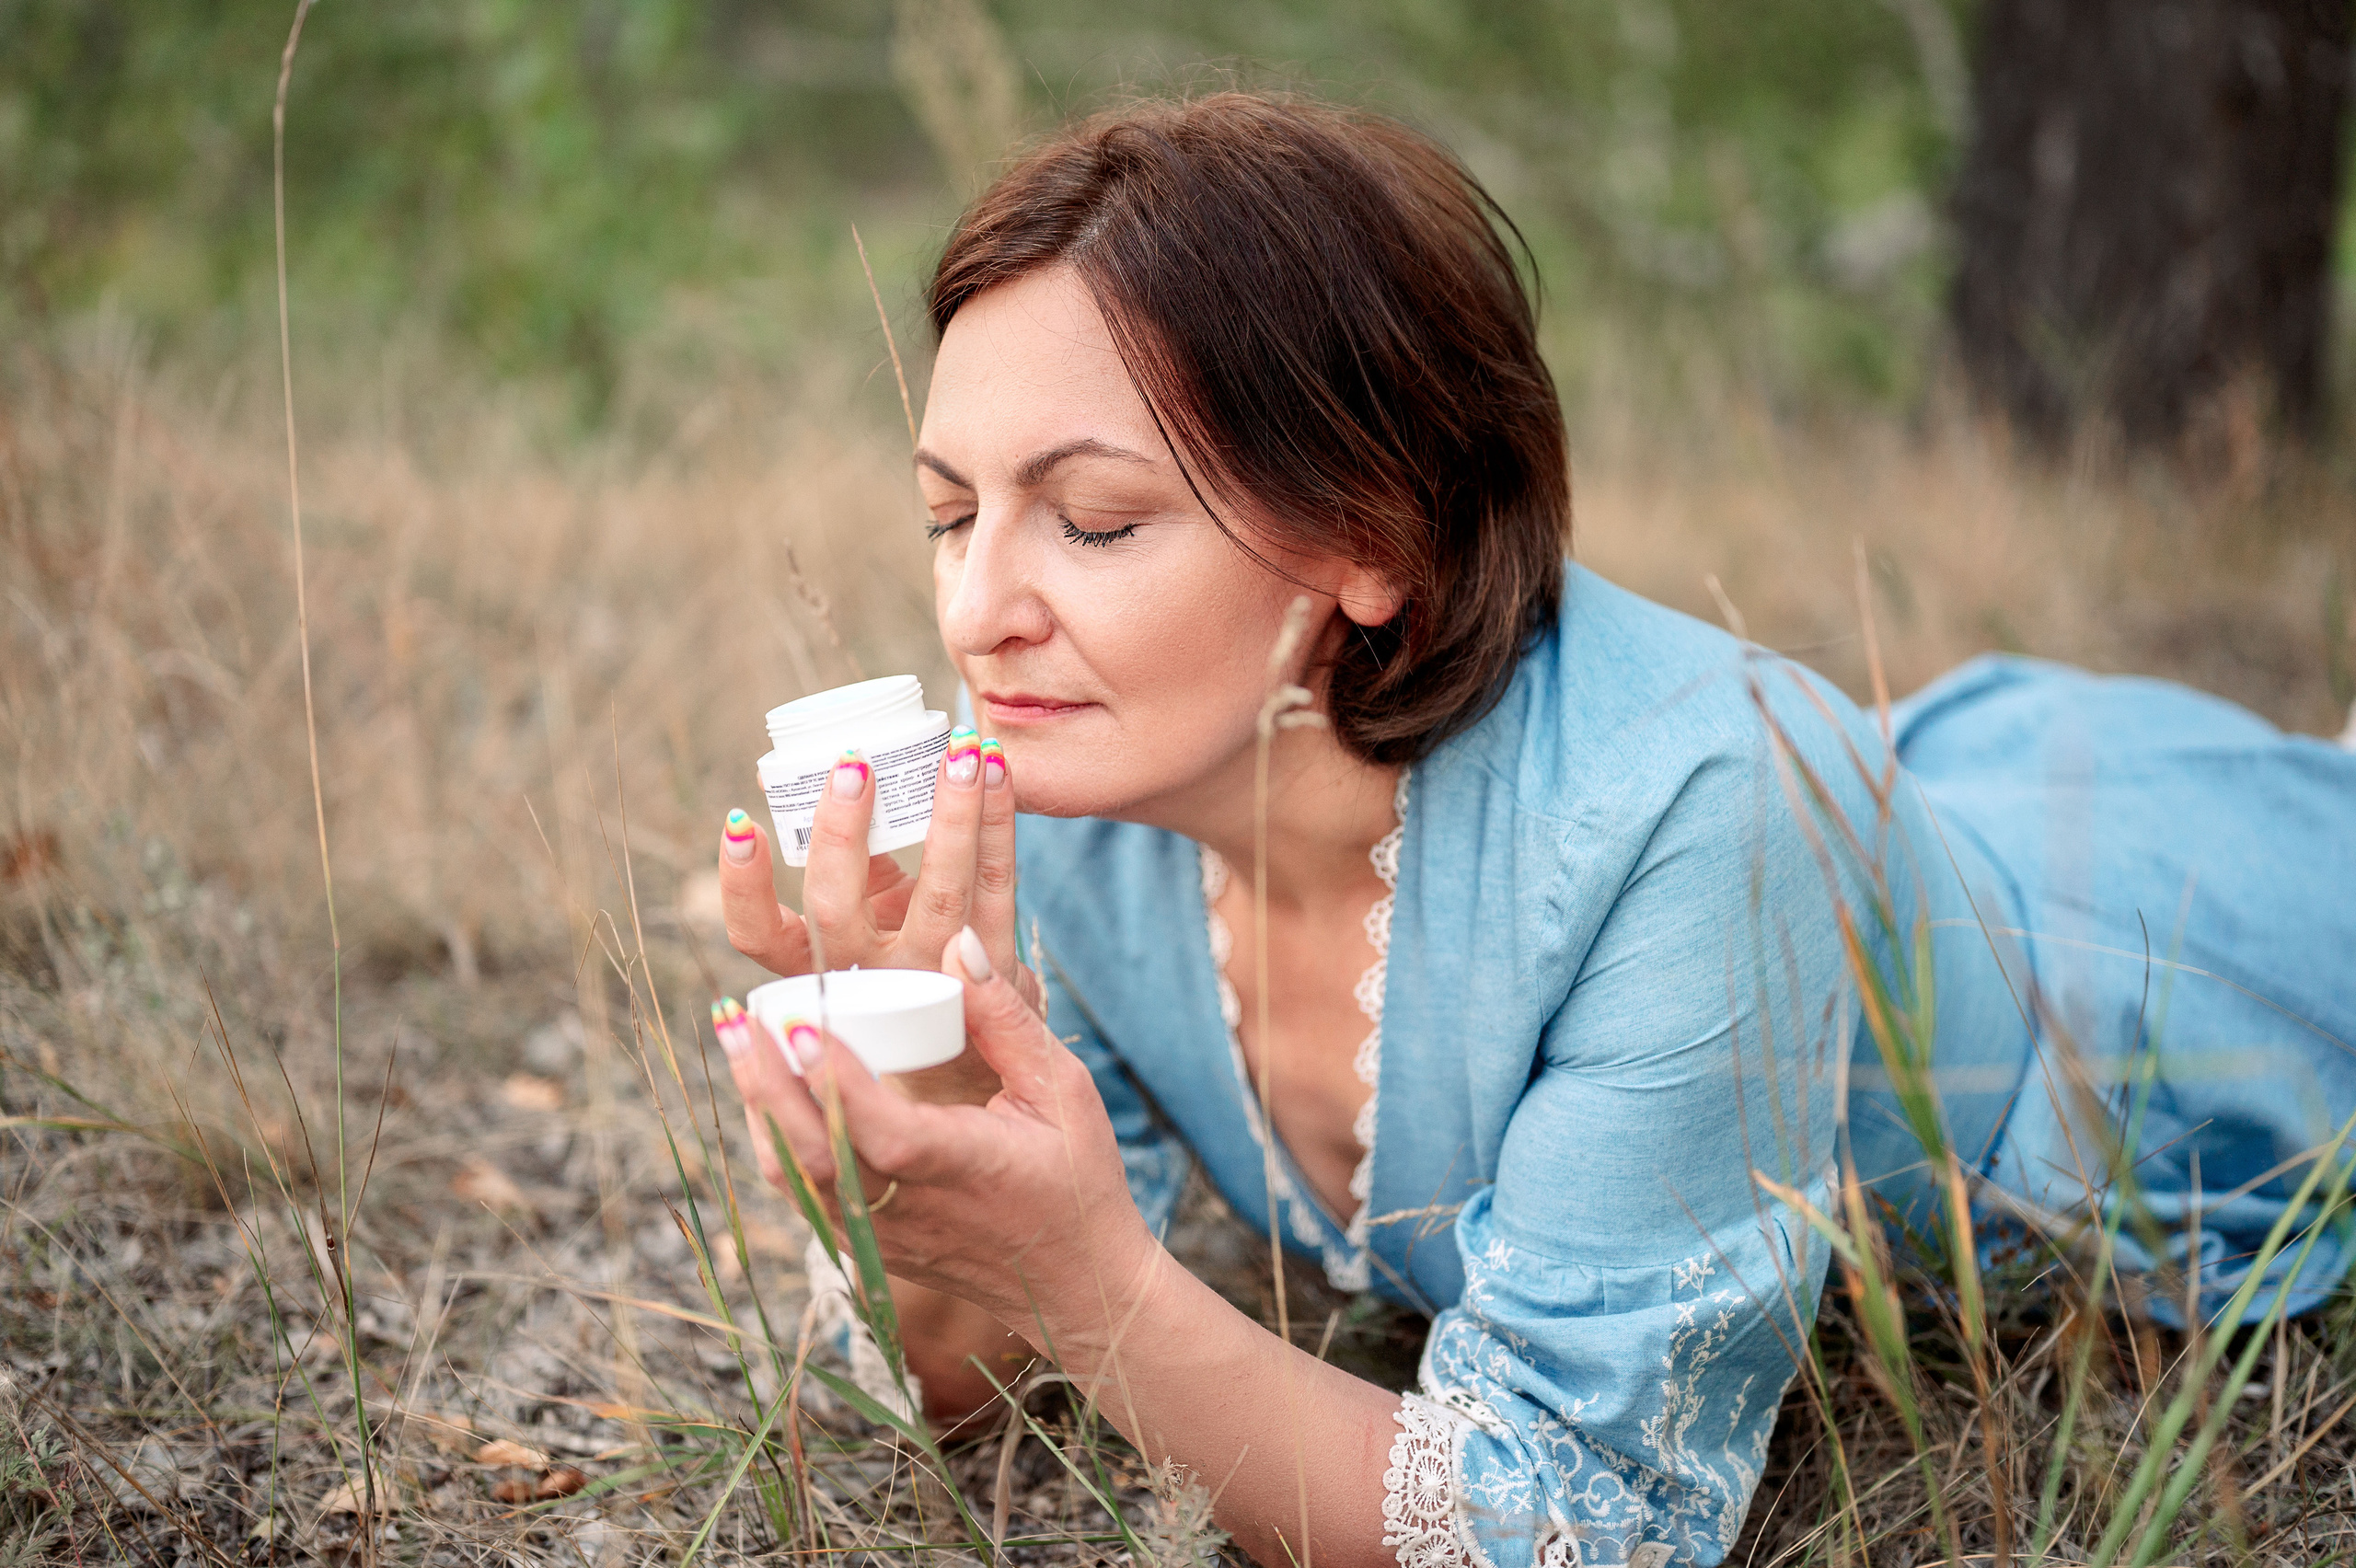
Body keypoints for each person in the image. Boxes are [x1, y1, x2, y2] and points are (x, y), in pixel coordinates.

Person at [707, 93, 2356, 1568]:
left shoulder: (1699, 807)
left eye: (1093, 520)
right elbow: (953, 1375)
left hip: (2172, 949)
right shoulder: (1062, 796)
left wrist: (1099, 1286)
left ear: (1373, 532)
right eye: (948, 514)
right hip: (1900, 799)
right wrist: (912, 1073)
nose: (981, 610)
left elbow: (1571, 1519)